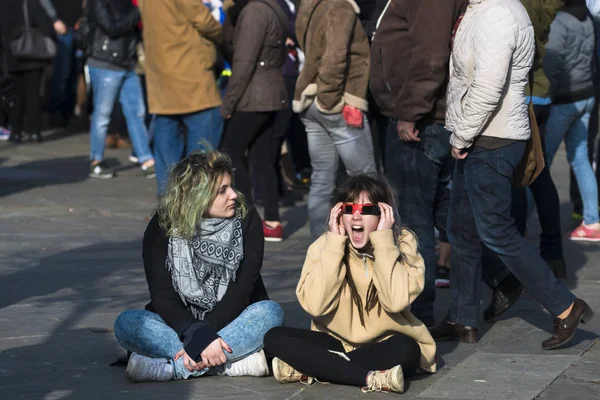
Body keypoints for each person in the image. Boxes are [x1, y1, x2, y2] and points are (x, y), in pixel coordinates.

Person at [432, 0, 594, 350]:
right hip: (479, 135)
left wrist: (461, 136)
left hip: (492, 138)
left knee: (497, 232)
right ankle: (462, 316)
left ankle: (565, 306)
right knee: (461, 228)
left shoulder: (499, 13)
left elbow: (488, 87)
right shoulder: (481, 9)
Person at [114, 149, 285, 382]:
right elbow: (163, 295)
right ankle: (231, 363)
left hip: (234, 317)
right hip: (179, 324)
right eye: (222, 191)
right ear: (198, 196)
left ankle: (173, 368)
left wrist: (203, 335)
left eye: (231, 186)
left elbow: (242, 290)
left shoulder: (246, 218)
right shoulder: (162, 225)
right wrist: (197, 334)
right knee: (127, 323)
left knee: (270, 312)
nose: (233, 195)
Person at [264, 175, 436, 394]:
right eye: (348, 208)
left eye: (366, 210)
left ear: (383, 214)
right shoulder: (324, 246)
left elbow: (395, 302)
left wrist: (383, 241)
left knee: (408, 350)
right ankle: (368, 377)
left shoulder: (403, 244)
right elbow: (315, 306)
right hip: (335, 342)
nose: (356, 215)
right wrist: (334, 245)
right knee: (274, 337)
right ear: (339, 214)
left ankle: (316, 366)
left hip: (386, 345)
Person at [369, 0, 468, 327]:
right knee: (439, 210)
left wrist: (410, 112)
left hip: (421, 120)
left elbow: (430, 56)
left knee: (414, 218)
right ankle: (497, 277)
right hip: (421, 116)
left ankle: (420, 311)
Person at [294, 0, 377, 241]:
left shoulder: (311, 5)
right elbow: (335, 55)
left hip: (311, 99)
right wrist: (331, 99)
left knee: (322, 178)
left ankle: (322, 248)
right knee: (365, 179)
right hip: (337, 102)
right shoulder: (340, 5)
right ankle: (369, 246)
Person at [138, 0, 224, 195]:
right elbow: (204, 20)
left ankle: (170, 207)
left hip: (161, 79)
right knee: (203, 155)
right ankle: (195, 205)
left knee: (167, 153)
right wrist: (223, 30)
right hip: (192, 77)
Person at [220, 0, 289, 242]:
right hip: (273, 93)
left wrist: (228, 105)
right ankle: (272, 221)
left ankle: (245, 220)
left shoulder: (253, 12)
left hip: (254, 96)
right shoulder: (274, 8)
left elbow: (243, 63)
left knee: (230, 152)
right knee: (262, 159)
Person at [543, 0, 599, 241]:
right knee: (580, 158)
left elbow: (552, 63)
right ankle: (592, 221)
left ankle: (519, 224)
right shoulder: (586, 17)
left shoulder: (560, 21)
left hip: (564, 100)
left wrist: (548, 92)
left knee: (539, 165)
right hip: (586, 95)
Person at [86, 0, 155, 179]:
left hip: (127, 63)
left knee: (137, 112)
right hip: (105, 62)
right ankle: (96, 161)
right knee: (102, 115)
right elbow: (112, 27)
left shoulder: (129, 3)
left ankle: (146, 159)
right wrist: (137, 12)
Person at [0, 0, 55, 144]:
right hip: (33, 55)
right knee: (33, 95)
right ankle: (34, 132)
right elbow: (46, 26)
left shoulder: (4, 5)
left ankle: (16, 132)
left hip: (12, 55)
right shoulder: (32, 2)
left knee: (16, 96)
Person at [38, 0, 84, 127]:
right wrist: (54, 19)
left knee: (75, 72)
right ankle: (57, 113)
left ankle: (68, 111)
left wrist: (82, 17)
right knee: (62, 72)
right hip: (62, 28)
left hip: (77, 27)